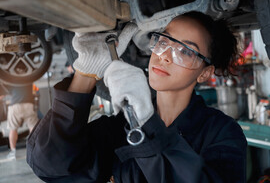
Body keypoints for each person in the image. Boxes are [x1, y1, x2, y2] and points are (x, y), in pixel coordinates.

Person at [27, 11, 247, 182]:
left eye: (185, 52)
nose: (165, 57)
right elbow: (51, 166)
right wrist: (86, 72)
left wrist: (145, 125)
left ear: (205, 72)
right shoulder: (120, 127)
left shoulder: (222, 134)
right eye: (163, 42)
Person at [6, 84, 39, 160]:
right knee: (33, 128)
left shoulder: (10, 79)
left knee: (13, 129)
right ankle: (34, 150)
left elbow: (4, 93)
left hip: (15, 105)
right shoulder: (28, 77)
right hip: (29, 104)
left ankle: (13, 152)